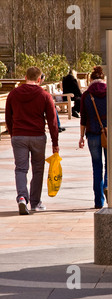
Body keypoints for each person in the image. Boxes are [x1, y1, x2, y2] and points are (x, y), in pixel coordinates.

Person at [5, 66, 59, 215]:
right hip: (37, 137)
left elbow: (8, 117)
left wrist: (13, 134)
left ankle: (22, 197)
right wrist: (55, 142)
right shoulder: (44, 95)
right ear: (39, 79)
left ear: (25, 77)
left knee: (21, 169)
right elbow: (52, 121)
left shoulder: (13, 94)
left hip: (19, 136)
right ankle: (35, 202)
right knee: (38, 169)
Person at [78, 66, 107, 209]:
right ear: (103, 78)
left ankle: (98, 201)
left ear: (90, 79)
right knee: (110, 165)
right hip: (108, 134)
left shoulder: (86, 95)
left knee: (97, 167)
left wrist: (81, 136)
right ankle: (107, 187)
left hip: (93, 134)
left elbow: (83, 117)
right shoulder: (110, 92)